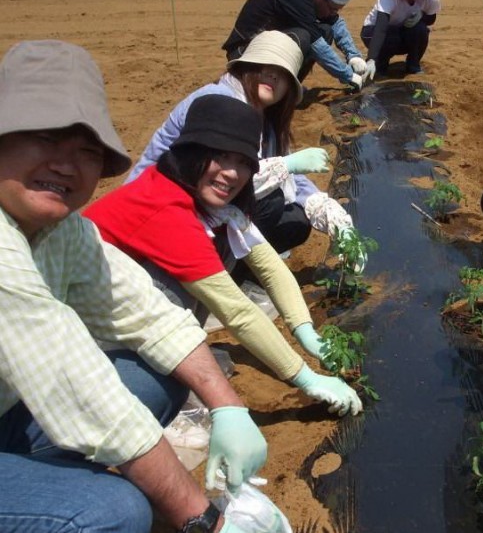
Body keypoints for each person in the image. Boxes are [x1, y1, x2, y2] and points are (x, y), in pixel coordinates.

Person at [0, 40, 264, 533]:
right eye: (45, 138)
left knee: (156, 372)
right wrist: (204, 521)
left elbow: (147, 313)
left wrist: (227, 406)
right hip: (32, 397)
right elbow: (70, 377)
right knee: (111, 511)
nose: (66, 164)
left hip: (9, 412)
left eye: (85, 151)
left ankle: (51, 486)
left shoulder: (62, 230)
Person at [85, 94, 364, 418]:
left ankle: (175, 351)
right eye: (220, 156)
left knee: (225, 250)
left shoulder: (217, 205)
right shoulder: (166, 206)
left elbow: (270, 267)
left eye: (244, 162)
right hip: (92, 331)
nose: (232, 173)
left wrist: (308, 335)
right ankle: (146, 371)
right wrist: (306, 378)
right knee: (162, 379)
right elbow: (236, 311)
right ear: (190, 153)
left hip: (125, 304)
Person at [127, 30, 368, 265]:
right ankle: (211, 266)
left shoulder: (265, 120)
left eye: (282, 75)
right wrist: (285, 165)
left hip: (205, 208)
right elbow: (209, 178)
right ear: (246, 68)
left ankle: (238, 269)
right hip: (159, 209)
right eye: (266, 67)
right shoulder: (218, 101)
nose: (273, 77)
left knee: (296, 220)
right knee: (271, 200)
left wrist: (331, 214)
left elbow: (294, 179)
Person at [222, 0, 374, 91]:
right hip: (245, 54)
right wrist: (347, 75)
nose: (332, 13)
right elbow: (317, 46)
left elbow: (335, 22)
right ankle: (276, 90)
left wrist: (353, 56)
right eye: (333, 8)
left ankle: (288, 88)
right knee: (304, 37)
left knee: (325, 30)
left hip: (268, 45)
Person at [360, 0, 441, 75]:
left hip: (402, 32)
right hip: (374, 33)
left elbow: (431, 19)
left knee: (421, 30)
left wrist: (421, 16)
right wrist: (372, 58)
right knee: (391, 36)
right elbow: (380, 28)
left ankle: (413, 65)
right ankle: (379, 64)